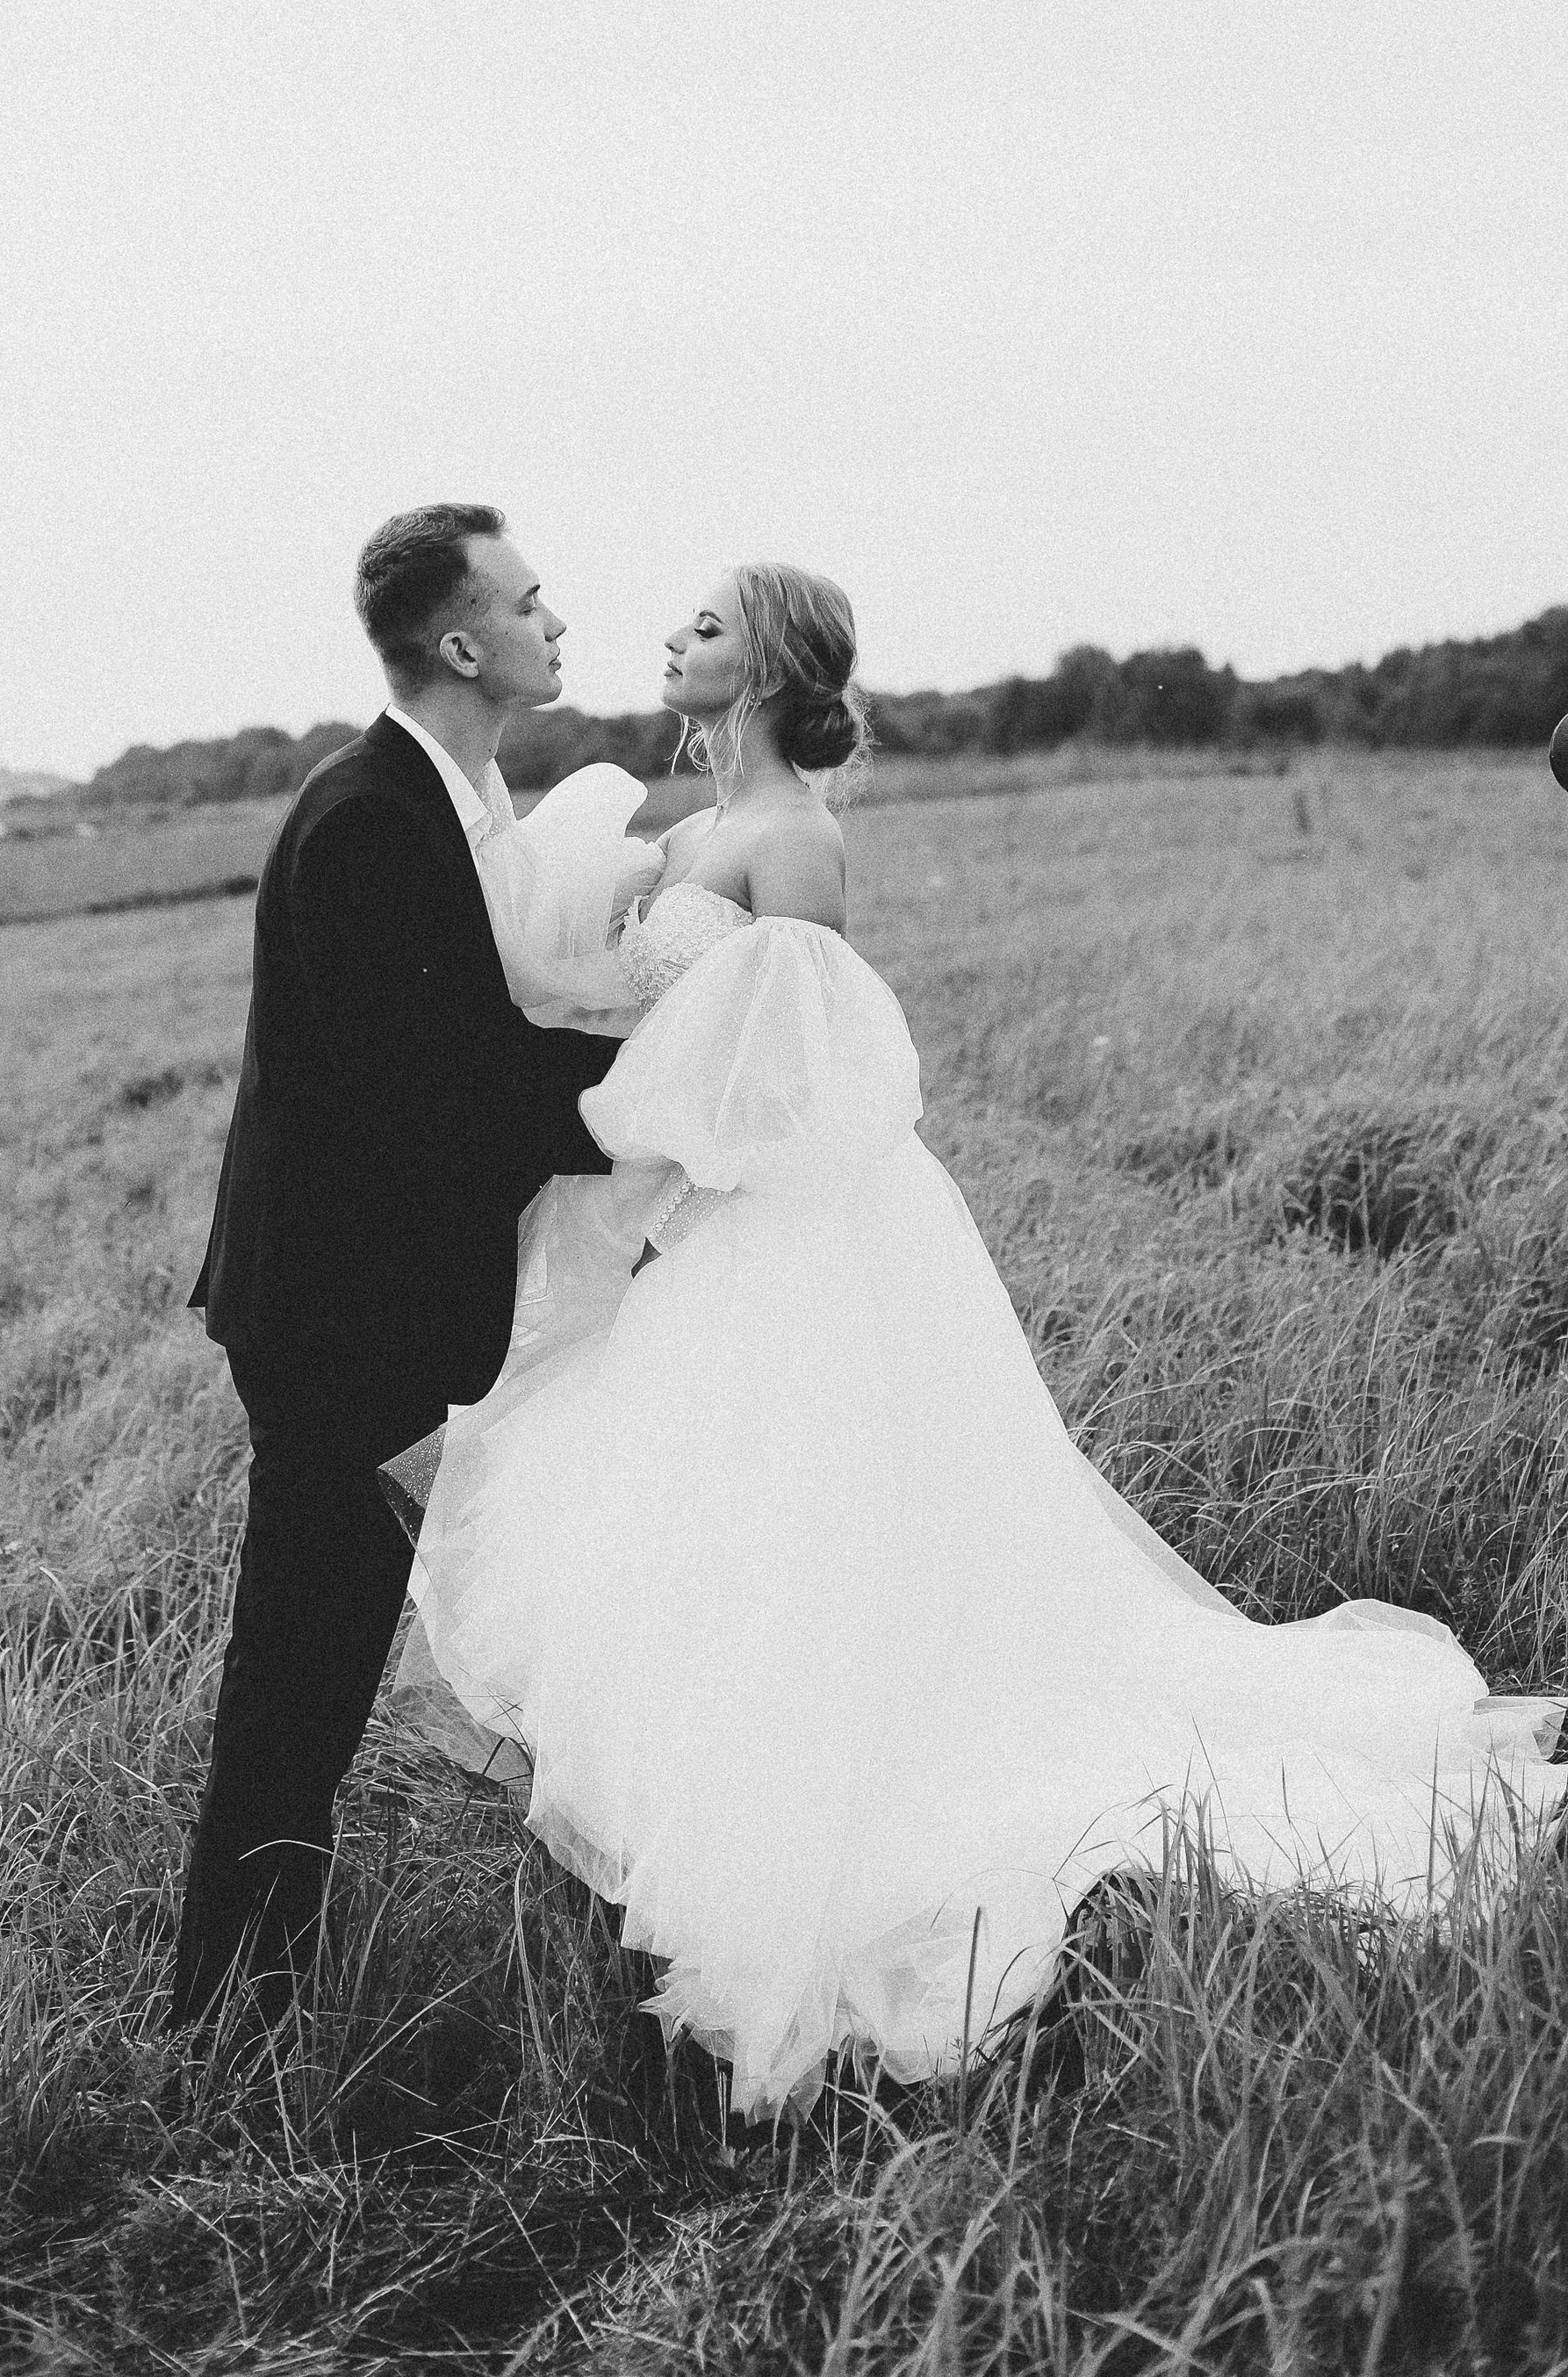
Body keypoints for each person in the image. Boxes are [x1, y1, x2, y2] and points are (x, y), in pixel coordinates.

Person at [409, 560, 1568, 2118]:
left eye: (704, 624)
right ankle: (734, 1798)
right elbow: (580, 999)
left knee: (826, 1522)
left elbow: (806, 1076)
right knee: (718, 1530)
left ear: (766, 667)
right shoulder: (673, 835)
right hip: (693, 1230)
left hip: (792, 1230)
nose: (668, 635)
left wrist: (661, 1172)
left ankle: (823, 1827)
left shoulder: (794, 837)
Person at [168, 504, 622, 2029]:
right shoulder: (370, 817)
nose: (557, 620)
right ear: (461, 641)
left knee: (328, 1646)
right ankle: (227, 2004)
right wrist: (659, 1102)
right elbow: (442, 1089)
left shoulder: (453, 796)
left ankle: (249, 1976)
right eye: (531, 599)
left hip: (360, 1297)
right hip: (328, 1314)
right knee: (299, 1658)